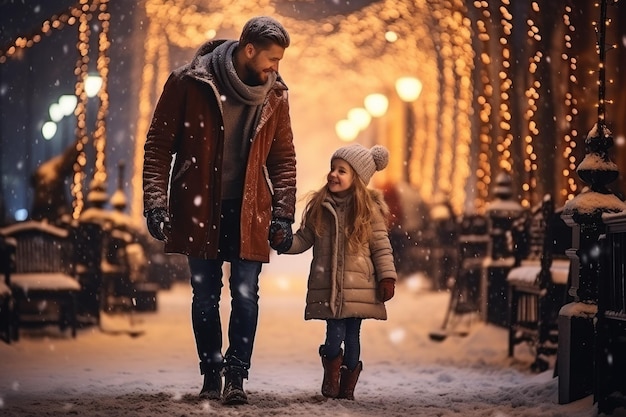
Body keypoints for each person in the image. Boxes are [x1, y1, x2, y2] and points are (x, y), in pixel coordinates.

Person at [142, 16, 296, 405]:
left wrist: (282, 213)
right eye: (271, 58)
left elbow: (283, 158)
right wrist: (156, 203)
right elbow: (159, 145)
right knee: (205, 294)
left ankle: (237, 377)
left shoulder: (276, 94)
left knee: (246, 295)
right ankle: (211, 373)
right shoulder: (188, 82)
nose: (275, 68)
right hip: (198, 206)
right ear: (248, 50)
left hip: (250, 209)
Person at [271, 143, 397, 400]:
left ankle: (346, 388)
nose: (333, 175)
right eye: (332, 169)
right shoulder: (320, 206)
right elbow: (304, 239)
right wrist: (285, 242)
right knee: (333, 337)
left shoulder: (368, 211)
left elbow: (381, 247)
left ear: (357, 179)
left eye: (342, 171)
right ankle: (331, 378)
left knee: (352, 338)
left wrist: (387, 277)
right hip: (331, 288)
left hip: (359, 286)